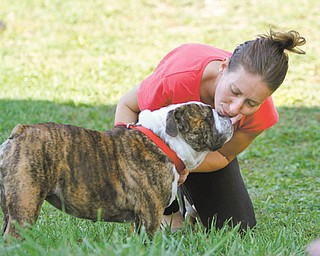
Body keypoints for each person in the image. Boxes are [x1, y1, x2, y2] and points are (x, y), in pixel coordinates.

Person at [114, 30, 306, 232]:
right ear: (223, 67)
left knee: (235, 228)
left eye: (250, 103)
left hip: (202, 153)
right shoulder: (177, 78)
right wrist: (126, 166)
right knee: (167, 225)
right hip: (155, 147)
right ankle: (169, 209)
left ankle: (190, 198)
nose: (234, 108)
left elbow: (223, 155)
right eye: (234, 91)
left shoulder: (263, 115)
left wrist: (183, 165)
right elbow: (128, 105)